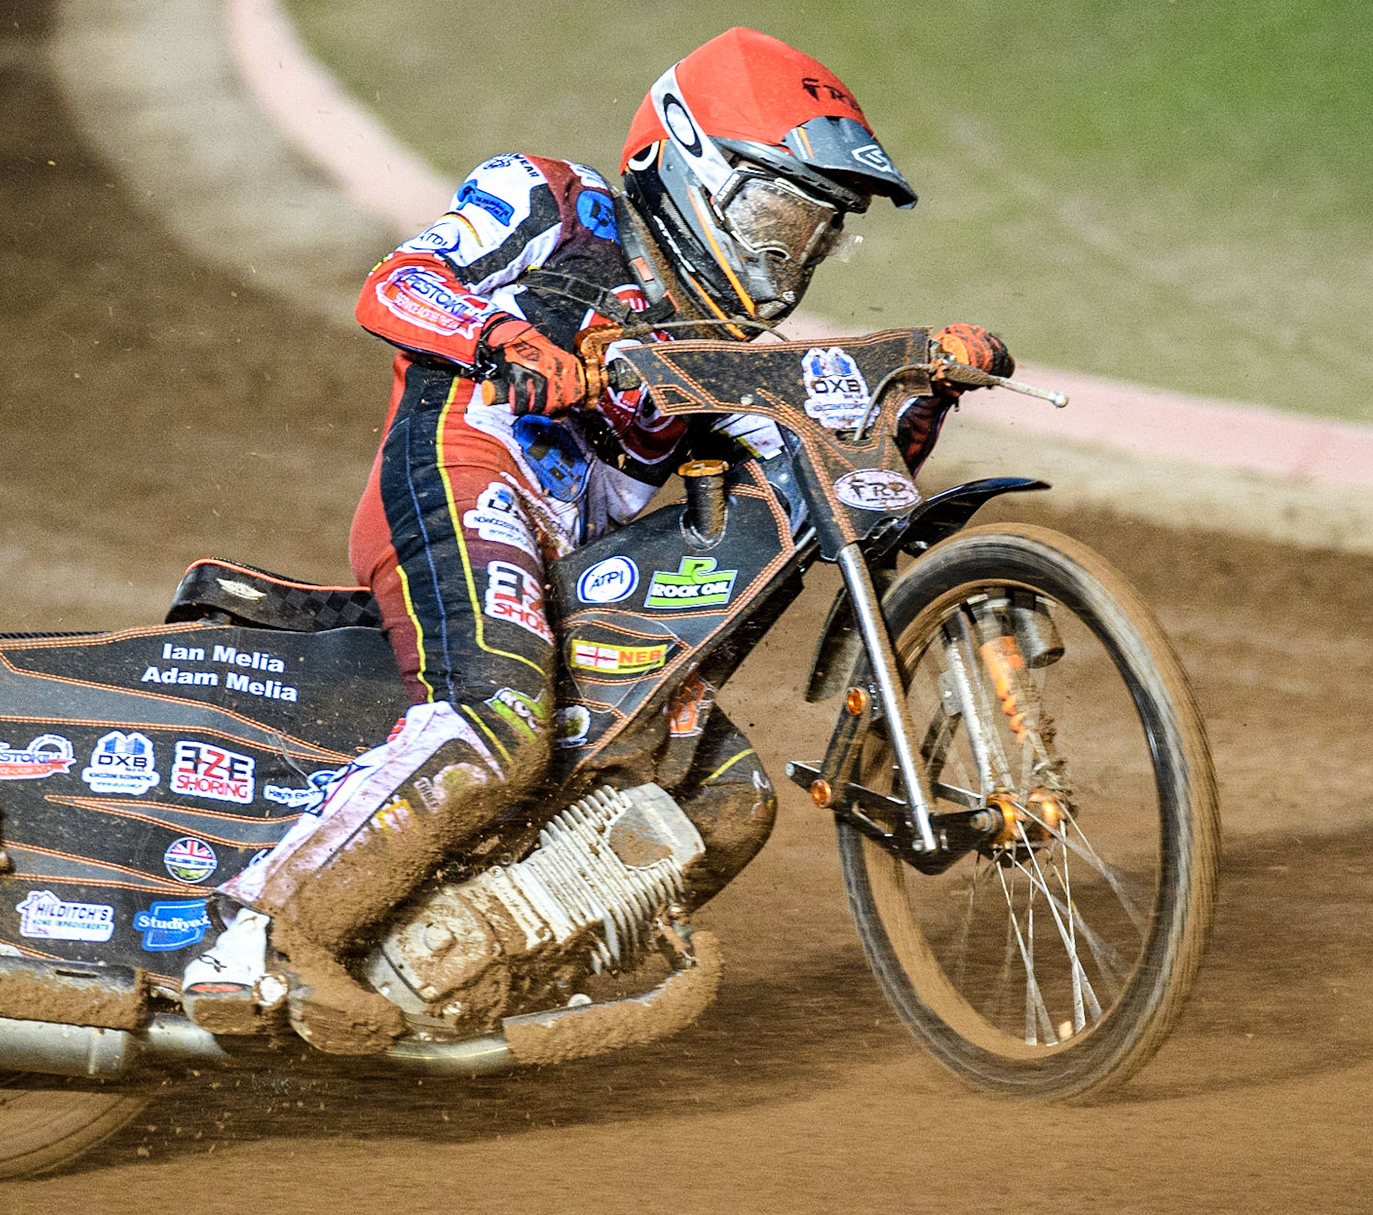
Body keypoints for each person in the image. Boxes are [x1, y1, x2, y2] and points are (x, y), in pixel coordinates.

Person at [181, 26, 1013, 1051]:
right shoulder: (552, 200)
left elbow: (819, 488)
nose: (785, 258)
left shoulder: (734, 358)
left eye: (813, 234)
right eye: (774, 215)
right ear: (684, 166)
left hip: (577, 571)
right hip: (470, 469)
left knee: (731, 798)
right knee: (502, 717)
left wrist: (915, 394)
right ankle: (251, 934)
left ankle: (474, 967)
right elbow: (397, 282)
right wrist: (505, 340)